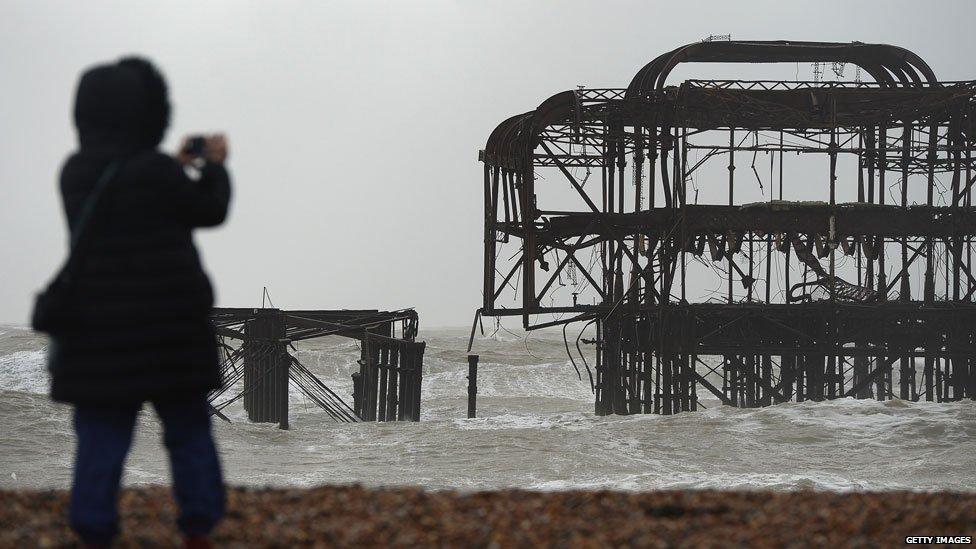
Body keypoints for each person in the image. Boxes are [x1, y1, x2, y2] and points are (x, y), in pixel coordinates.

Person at [47, 57, 231, 548]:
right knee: (188, 430)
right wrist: (213, 166)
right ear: (152, 113)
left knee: (101, 437)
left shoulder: (75, 173)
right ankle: (198, 529)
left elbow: (125, 189)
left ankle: (94, 532)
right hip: (171, 331)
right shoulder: (159, 174)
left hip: (97, 332)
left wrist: (169, 164)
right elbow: (209, 211)